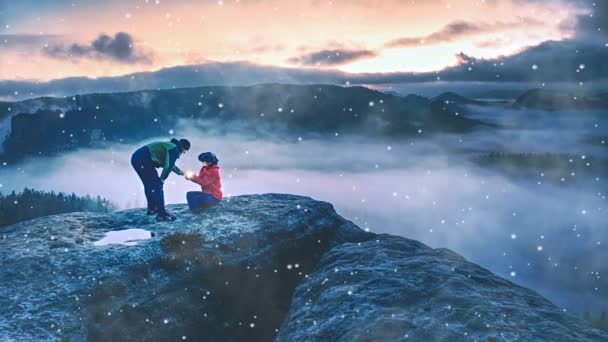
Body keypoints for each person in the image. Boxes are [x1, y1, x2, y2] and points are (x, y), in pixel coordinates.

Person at [131, 138, 190, 221]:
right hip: (144, 158)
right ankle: (161, 214)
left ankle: (152, 209)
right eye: (184, 151)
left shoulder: (171, 146)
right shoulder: (174, 149)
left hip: (137, 158)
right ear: (183, 148)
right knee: (157, 185)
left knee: (149, 185)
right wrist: (162, 179)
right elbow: (168, 166)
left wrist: (181, 172)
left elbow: (170, 164)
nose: (183, 154)